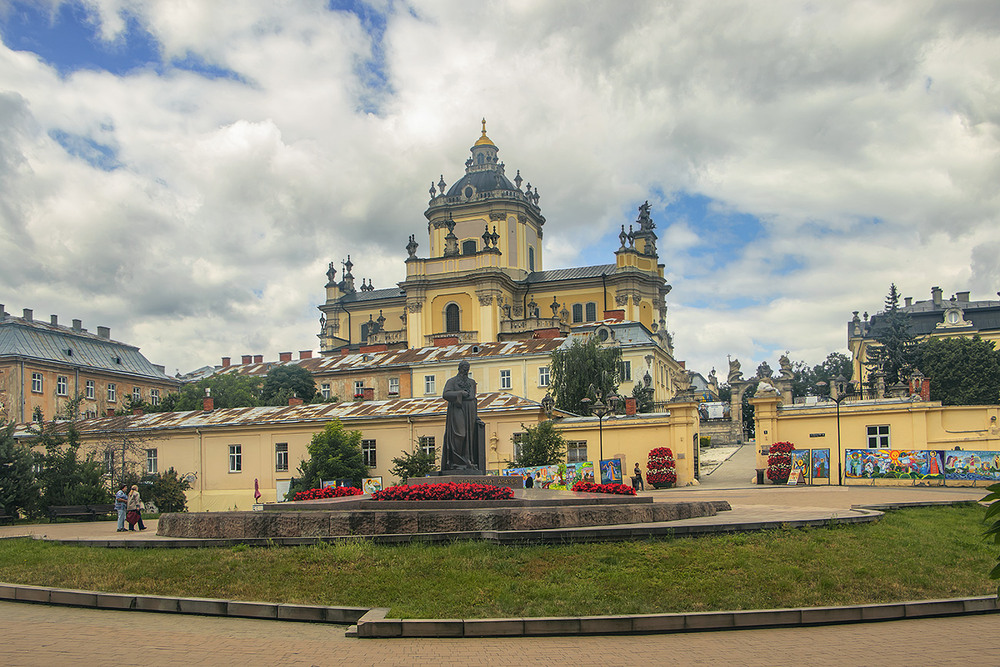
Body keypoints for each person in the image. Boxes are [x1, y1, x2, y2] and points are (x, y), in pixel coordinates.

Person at [441, 360, 480, 471]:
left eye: (467, 368)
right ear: (459, 368)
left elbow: (474, 398)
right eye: (464, 368)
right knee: (460, 434)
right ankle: (456, 462)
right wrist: (460, 394)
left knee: (470, 437)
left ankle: (467, 461)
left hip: (470, 410)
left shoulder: (472, 382)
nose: (465, 370)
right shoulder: (452, 381)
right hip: (457, 409)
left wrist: (476, 416)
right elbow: (445, 394)